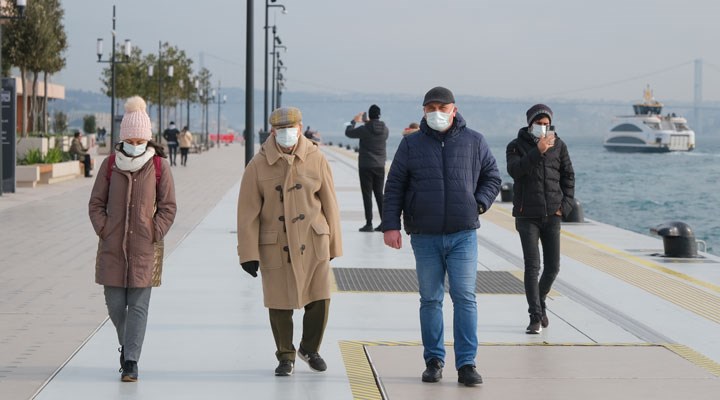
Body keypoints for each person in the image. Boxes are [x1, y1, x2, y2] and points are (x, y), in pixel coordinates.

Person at [382, 87, 501, 387]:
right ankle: (433, 361)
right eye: (430, 107)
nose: (436, 112)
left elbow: (493, 176)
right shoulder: (411, 145)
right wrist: (390, 226)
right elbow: (394, 185)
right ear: (423, 111)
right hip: (424, 235)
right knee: (431, 299)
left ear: (454, 109)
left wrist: (480, 202)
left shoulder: (475, 141)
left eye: (441, 107)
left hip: (463, 234)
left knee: (464, 298)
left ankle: (466, 364)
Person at [237, 106, 342, 377]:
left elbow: (330, 204)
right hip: (276, 244)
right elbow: (247, 213)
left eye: (291, 128)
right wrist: (248, 253)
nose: (286, 134)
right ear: (273, 131)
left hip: (313, 240)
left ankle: (310, 348)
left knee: (320, 298)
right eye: (280, 130)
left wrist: (334, 243)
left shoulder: (317, 158)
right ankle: (285, 355)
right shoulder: (258, 164)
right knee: (279, 302)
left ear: (300, 127)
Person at [88, 96, 177, 382]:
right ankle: (128, 346)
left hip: (144, 247)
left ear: (148, 139)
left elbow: (168, 206)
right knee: (115, 305)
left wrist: (155, 230)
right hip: (112, 246)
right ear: (123, 137)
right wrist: (104, 227)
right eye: (131, 138)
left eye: (141, 139)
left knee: (138, 307)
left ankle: (131, 361)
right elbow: (95, 203)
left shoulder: (160, 166)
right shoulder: (110, 164)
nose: (136, 143)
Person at [506, 104, 575, 334]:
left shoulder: (560, 146)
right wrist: (538, 150)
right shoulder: (515, 146)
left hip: (552, 215)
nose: (544, 128)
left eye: (547, 124)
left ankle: (540, 299)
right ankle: (535, 315)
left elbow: (568, 177)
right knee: (532, 266)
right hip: (527, 216)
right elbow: (515, 171)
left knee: (553, 267)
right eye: (539, 124)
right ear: (530, 124)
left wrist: (564, 207)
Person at [345, 104, 389, 232]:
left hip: (365, 165)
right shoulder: (385, 129)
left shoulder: (364, 129)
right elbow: (375, 130)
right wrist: (368, 122)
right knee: (379, 194)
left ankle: (369, 224)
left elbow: (348, 133)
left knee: (367, 195)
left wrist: (354, 121)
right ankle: (384, 223)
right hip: (380, 165)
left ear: (369, 116)